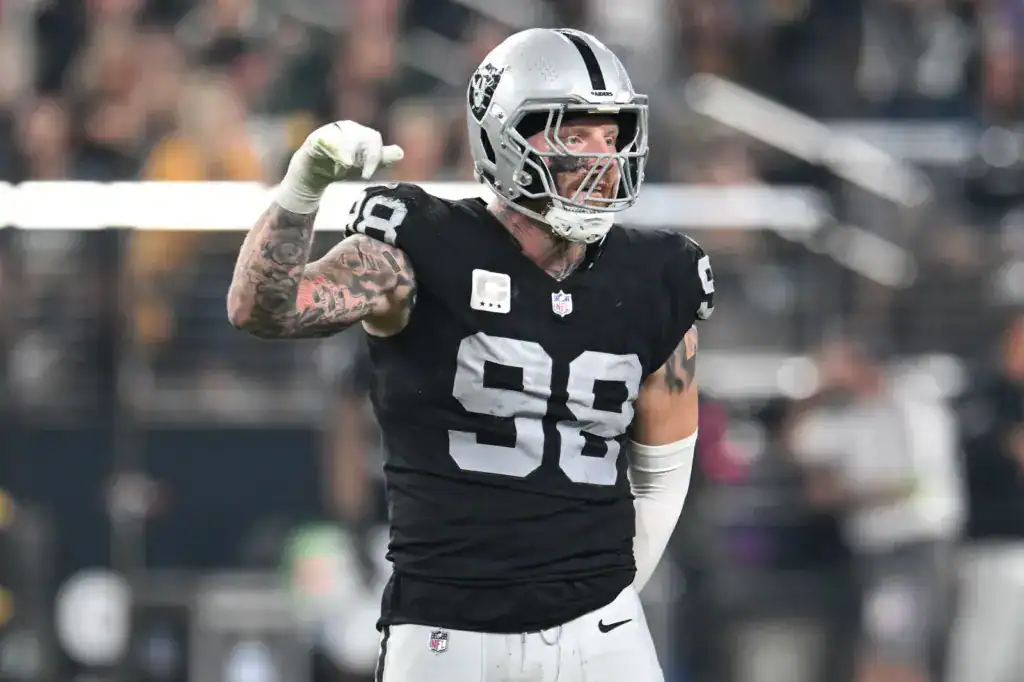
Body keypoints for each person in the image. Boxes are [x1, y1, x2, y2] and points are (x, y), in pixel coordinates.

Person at [228, 28, 714, 682]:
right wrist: (301, 190)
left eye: (615, 132)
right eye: (575, 134)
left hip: (599, 632)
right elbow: (264, 308)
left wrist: (602, 593)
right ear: (503, 136)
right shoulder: (420, 247)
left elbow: (664, 467)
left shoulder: (659, 275)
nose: (604, 156)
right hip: (444, 632)